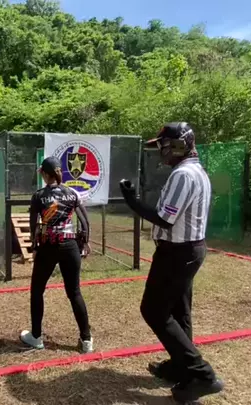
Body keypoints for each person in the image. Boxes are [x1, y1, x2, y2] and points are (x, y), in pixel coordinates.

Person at [119, 122, 224, 403]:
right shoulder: (194, 171)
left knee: (154, 310)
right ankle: (181, 368)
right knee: (179, 312)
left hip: (178, 253)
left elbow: (165, 218)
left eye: (164, 146)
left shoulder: (183, 174)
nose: (161, 151)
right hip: (186, 251)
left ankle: (201, 375)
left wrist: (132, 201)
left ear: (179, 145)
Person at [19, 156, 94, 354]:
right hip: (70, 246)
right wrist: (85, 242)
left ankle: (36, 337)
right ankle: (86, 340)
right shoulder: (72, 193)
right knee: (74, 292)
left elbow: (34, 225)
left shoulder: (39, 195)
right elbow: (85, 221)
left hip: (48, 246)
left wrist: (35, 246)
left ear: (45, 174)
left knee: (37, 291)